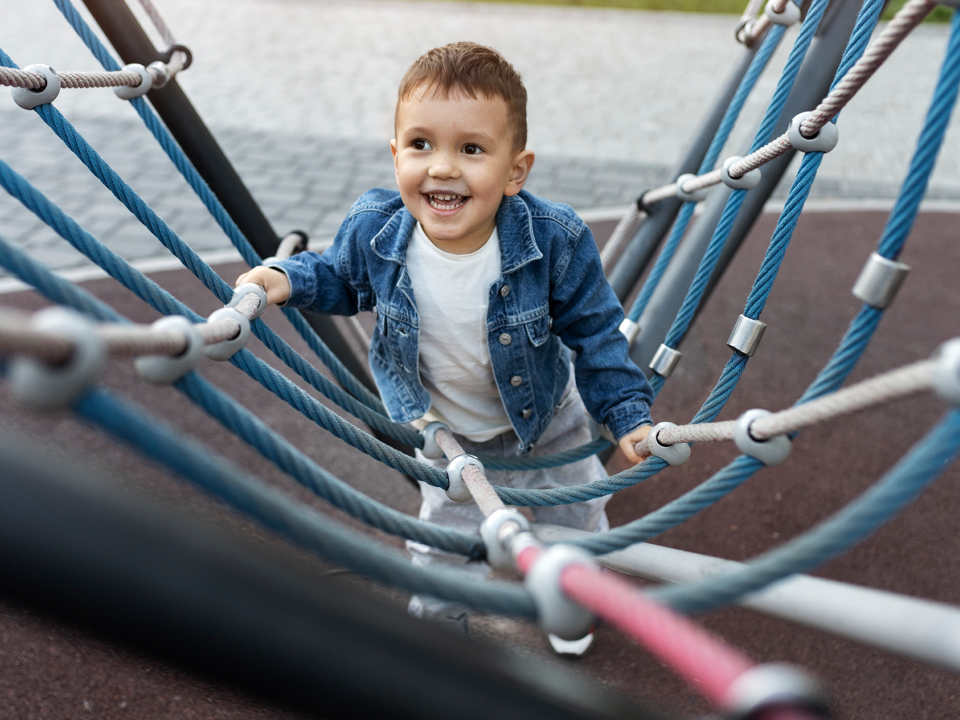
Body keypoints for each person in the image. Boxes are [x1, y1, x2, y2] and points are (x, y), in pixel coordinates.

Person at [236, 41, 655, 654]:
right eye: (421, 144)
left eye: (472, 149)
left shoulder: (555, 239)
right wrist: (287, 279)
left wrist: (628, 417)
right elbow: (340, 278)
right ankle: (440, 640)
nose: (442, 168)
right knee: (442, 551)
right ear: (395, 153)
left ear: (516, 170)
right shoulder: (378, 229)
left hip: (549, 422)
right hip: (447, 436)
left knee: (576, 525)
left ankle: (570, 605)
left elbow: (595, 333)